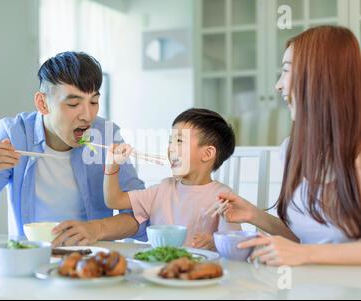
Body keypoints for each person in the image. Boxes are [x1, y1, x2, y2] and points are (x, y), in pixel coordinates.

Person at [0, 51, 147, 245]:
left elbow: (140, 215)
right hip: (31, 259)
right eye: (73, 104)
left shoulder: (105, 135)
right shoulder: (14, 135)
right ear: (42, 103)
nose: (88, 116)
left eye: (94, 102)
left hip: (91, 263)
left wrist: (96, 229)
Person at [218, 26, 361, 266]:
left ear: (320, 75)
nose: (278, 85)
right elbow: (301, 239)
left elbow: (305, 250)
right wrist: (253, 215)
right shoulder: (292, 150)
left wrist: (305, 254)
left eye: (286, 71)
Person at [103, 108, 241, 249]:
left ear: (207, 153)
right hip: (159, 267)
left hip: (201, 268)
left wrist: (214, 243)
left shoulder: (223, 197)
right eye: (170, 141)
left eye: (179, 141)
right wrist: (111, 166)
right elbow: (114, 200)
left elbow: (233, 245)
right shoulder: (162, 190)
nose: (171, 148)